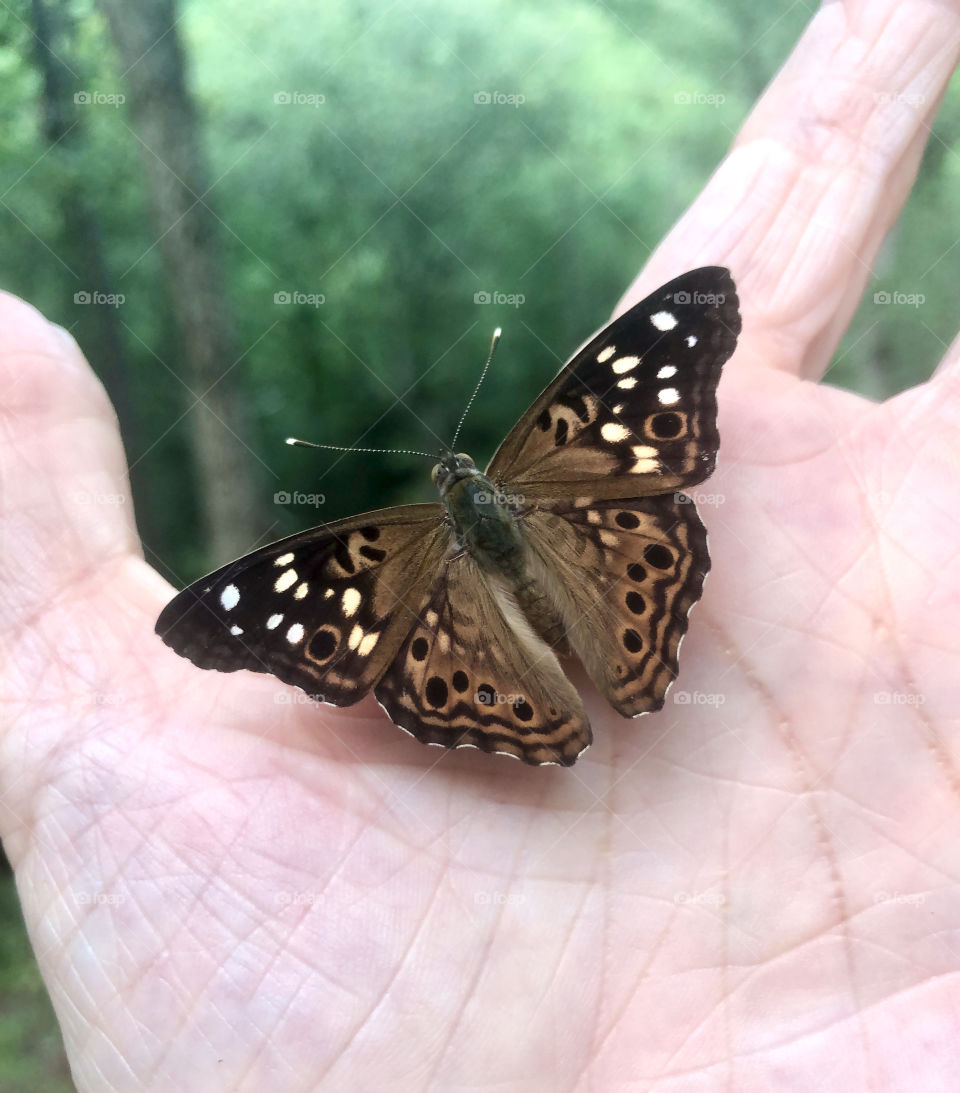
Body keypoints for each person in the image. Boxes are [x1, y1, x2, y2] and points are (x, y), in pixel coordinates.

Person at [3, 3, 959, 1088]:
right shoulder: (542, 452)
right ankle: (616, 661)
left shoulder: (373, 555)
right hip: (600, 545)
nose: (453, 482)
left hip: (478, 623)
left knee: (533, 616)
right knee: (626, 558)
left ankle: (580, 690)